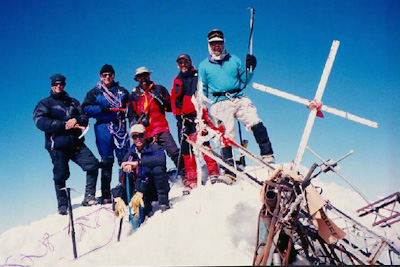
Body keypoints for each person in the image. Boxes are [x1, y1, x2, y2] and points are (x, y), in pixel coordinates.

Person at [198, 29, 275, 183]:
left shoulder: (234, 60)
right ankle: (229, 171)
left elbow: (245, 80)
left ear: (223, 43)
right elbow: (202, 89)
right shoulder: (204, 66)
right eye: (213, 44)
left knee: (255, 121)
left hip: (238, 97)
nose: (216, 46)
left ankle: (268, 155)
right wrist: (202, 109)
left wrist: (250, 68)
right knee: (225, 136)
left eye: (219, 43)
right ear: (209, 45)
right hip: (219, 102)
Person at [33, 73, 100, 215]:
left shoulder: (73, 102)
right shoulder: (45, 103)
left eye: (61, 84)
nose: (58, 87)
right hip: (57, 145)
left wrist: (76, 119)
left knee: (93, 164)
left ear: (64, 85)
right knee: (61, 173)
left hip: (75, 143)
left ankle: (89, 196)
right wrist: (62, 125)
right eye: (55, 84)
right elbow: (40, 121)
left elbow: (84, 117)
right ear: (51, 86)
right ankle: (62, 204)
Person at [171, 53, 223, 194]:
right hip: (184, 119)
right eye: (180, 62)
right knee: (186, 148)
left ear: (190, 62)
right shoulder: (177, 80)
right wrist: (177, 114)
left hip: (198, 116)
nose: (183, 65)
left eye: (185, 62)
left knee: (204, 143)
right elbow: (173, 99)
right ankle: (192, 178)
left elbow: (209, 86)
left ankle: (213, 172)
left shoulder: (198, 75)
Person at [82, 64, 130, 204]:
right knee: (106, 160)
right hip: (103, 127)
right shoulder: (94, 92)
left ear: (114, 75)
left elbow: (130, 107)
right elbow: (85, 108)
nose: (107, 77)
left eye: (110, 74)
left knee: (124, 158)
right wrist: (101, 109)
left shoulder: (122, 91)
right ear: (100, 77)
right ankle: (105, 194)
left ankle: (125, 189)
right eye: (104, 75)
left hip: (119, 126)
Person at [127, 67, 184, 179]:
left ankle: (184, 174)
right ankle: (158, 178)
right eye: (140, 76)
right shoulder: (134, 95)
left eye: (145, 75)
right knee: (150, 157)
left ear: (149, 75)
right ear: (137, 79)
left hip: (161, 127)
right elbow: (131, 114)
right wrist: (135, 126)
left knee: (174, 152)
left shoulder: (159, 89)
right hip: (145, 132)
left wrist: (162, 101)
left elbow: (170, 107)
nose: (143, 78)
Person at [112, 124, 170, 223]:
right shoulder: (130, 153)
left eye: (140, 135)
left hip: (153, 187)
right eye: (135, 137)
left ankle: (163, 203)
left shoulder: (155, 148)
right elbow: (123, 167)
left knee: (158, 169)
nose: (138, 139)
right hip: (139, 188)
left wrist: (138, 163)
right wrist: (125, 169)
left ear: (145, 135)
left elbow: (161, 160)